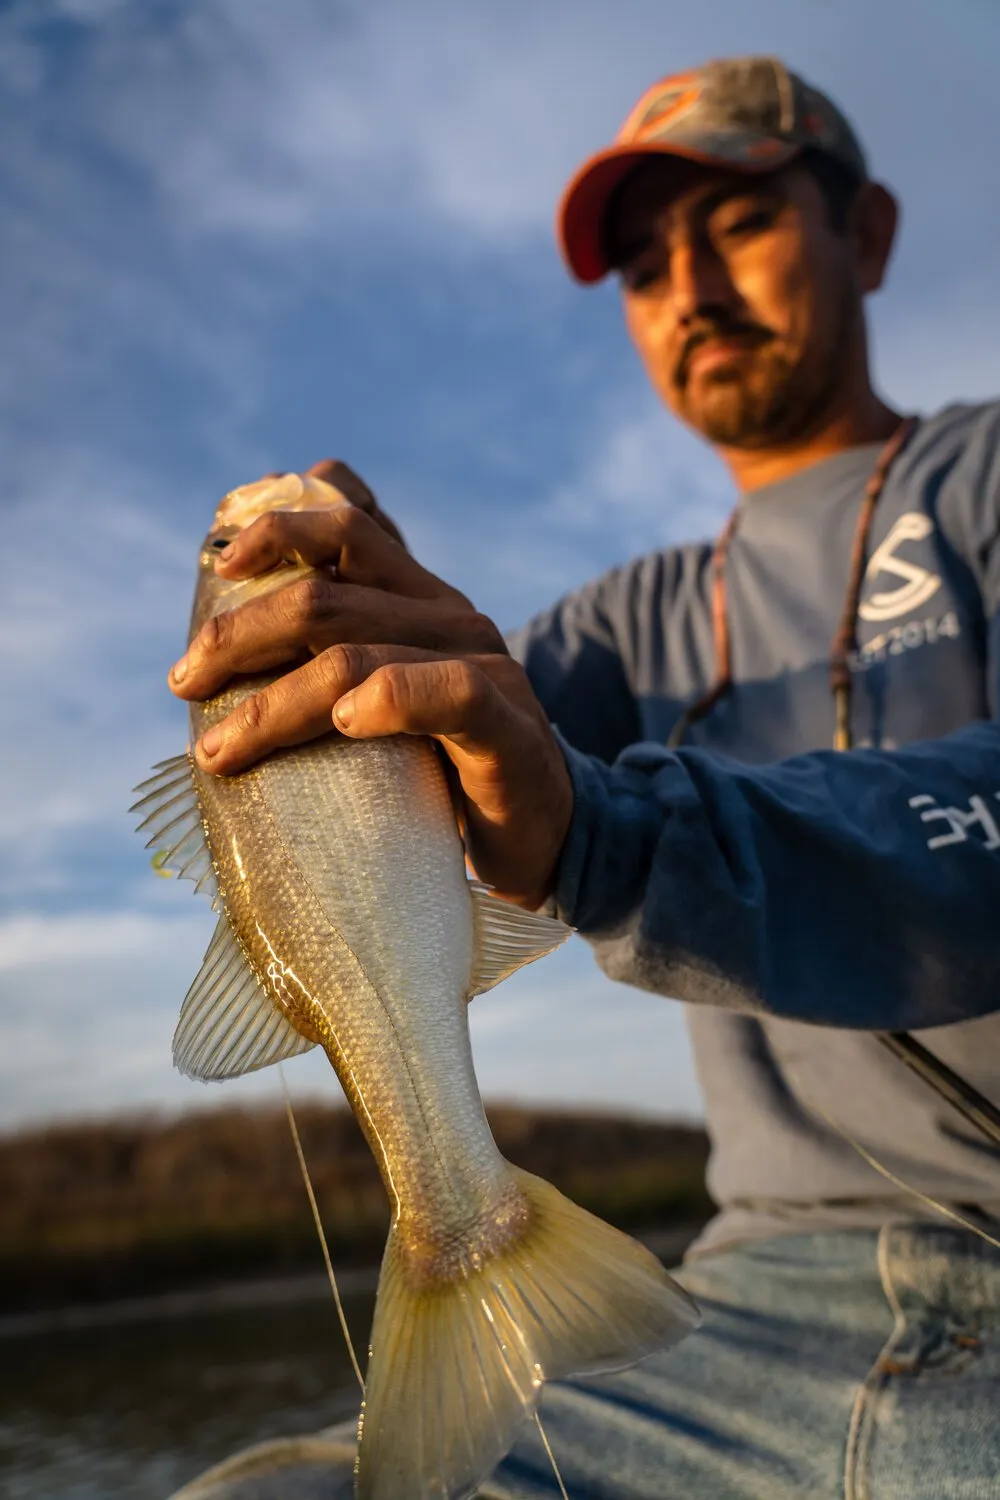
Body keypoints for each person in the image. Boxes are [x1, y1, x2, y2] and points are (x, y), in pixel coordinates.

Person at [167, 57, 1000, 1500]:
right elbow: (447, 753)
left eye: (737, 222)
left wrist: (607, 833)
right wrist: (360, 658)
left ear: (864, 236)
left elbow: (600, 817)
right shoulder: (618, 627)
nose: (690, 289)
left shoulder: (980, 481)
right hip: (733, 1312)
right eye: (644, 266)